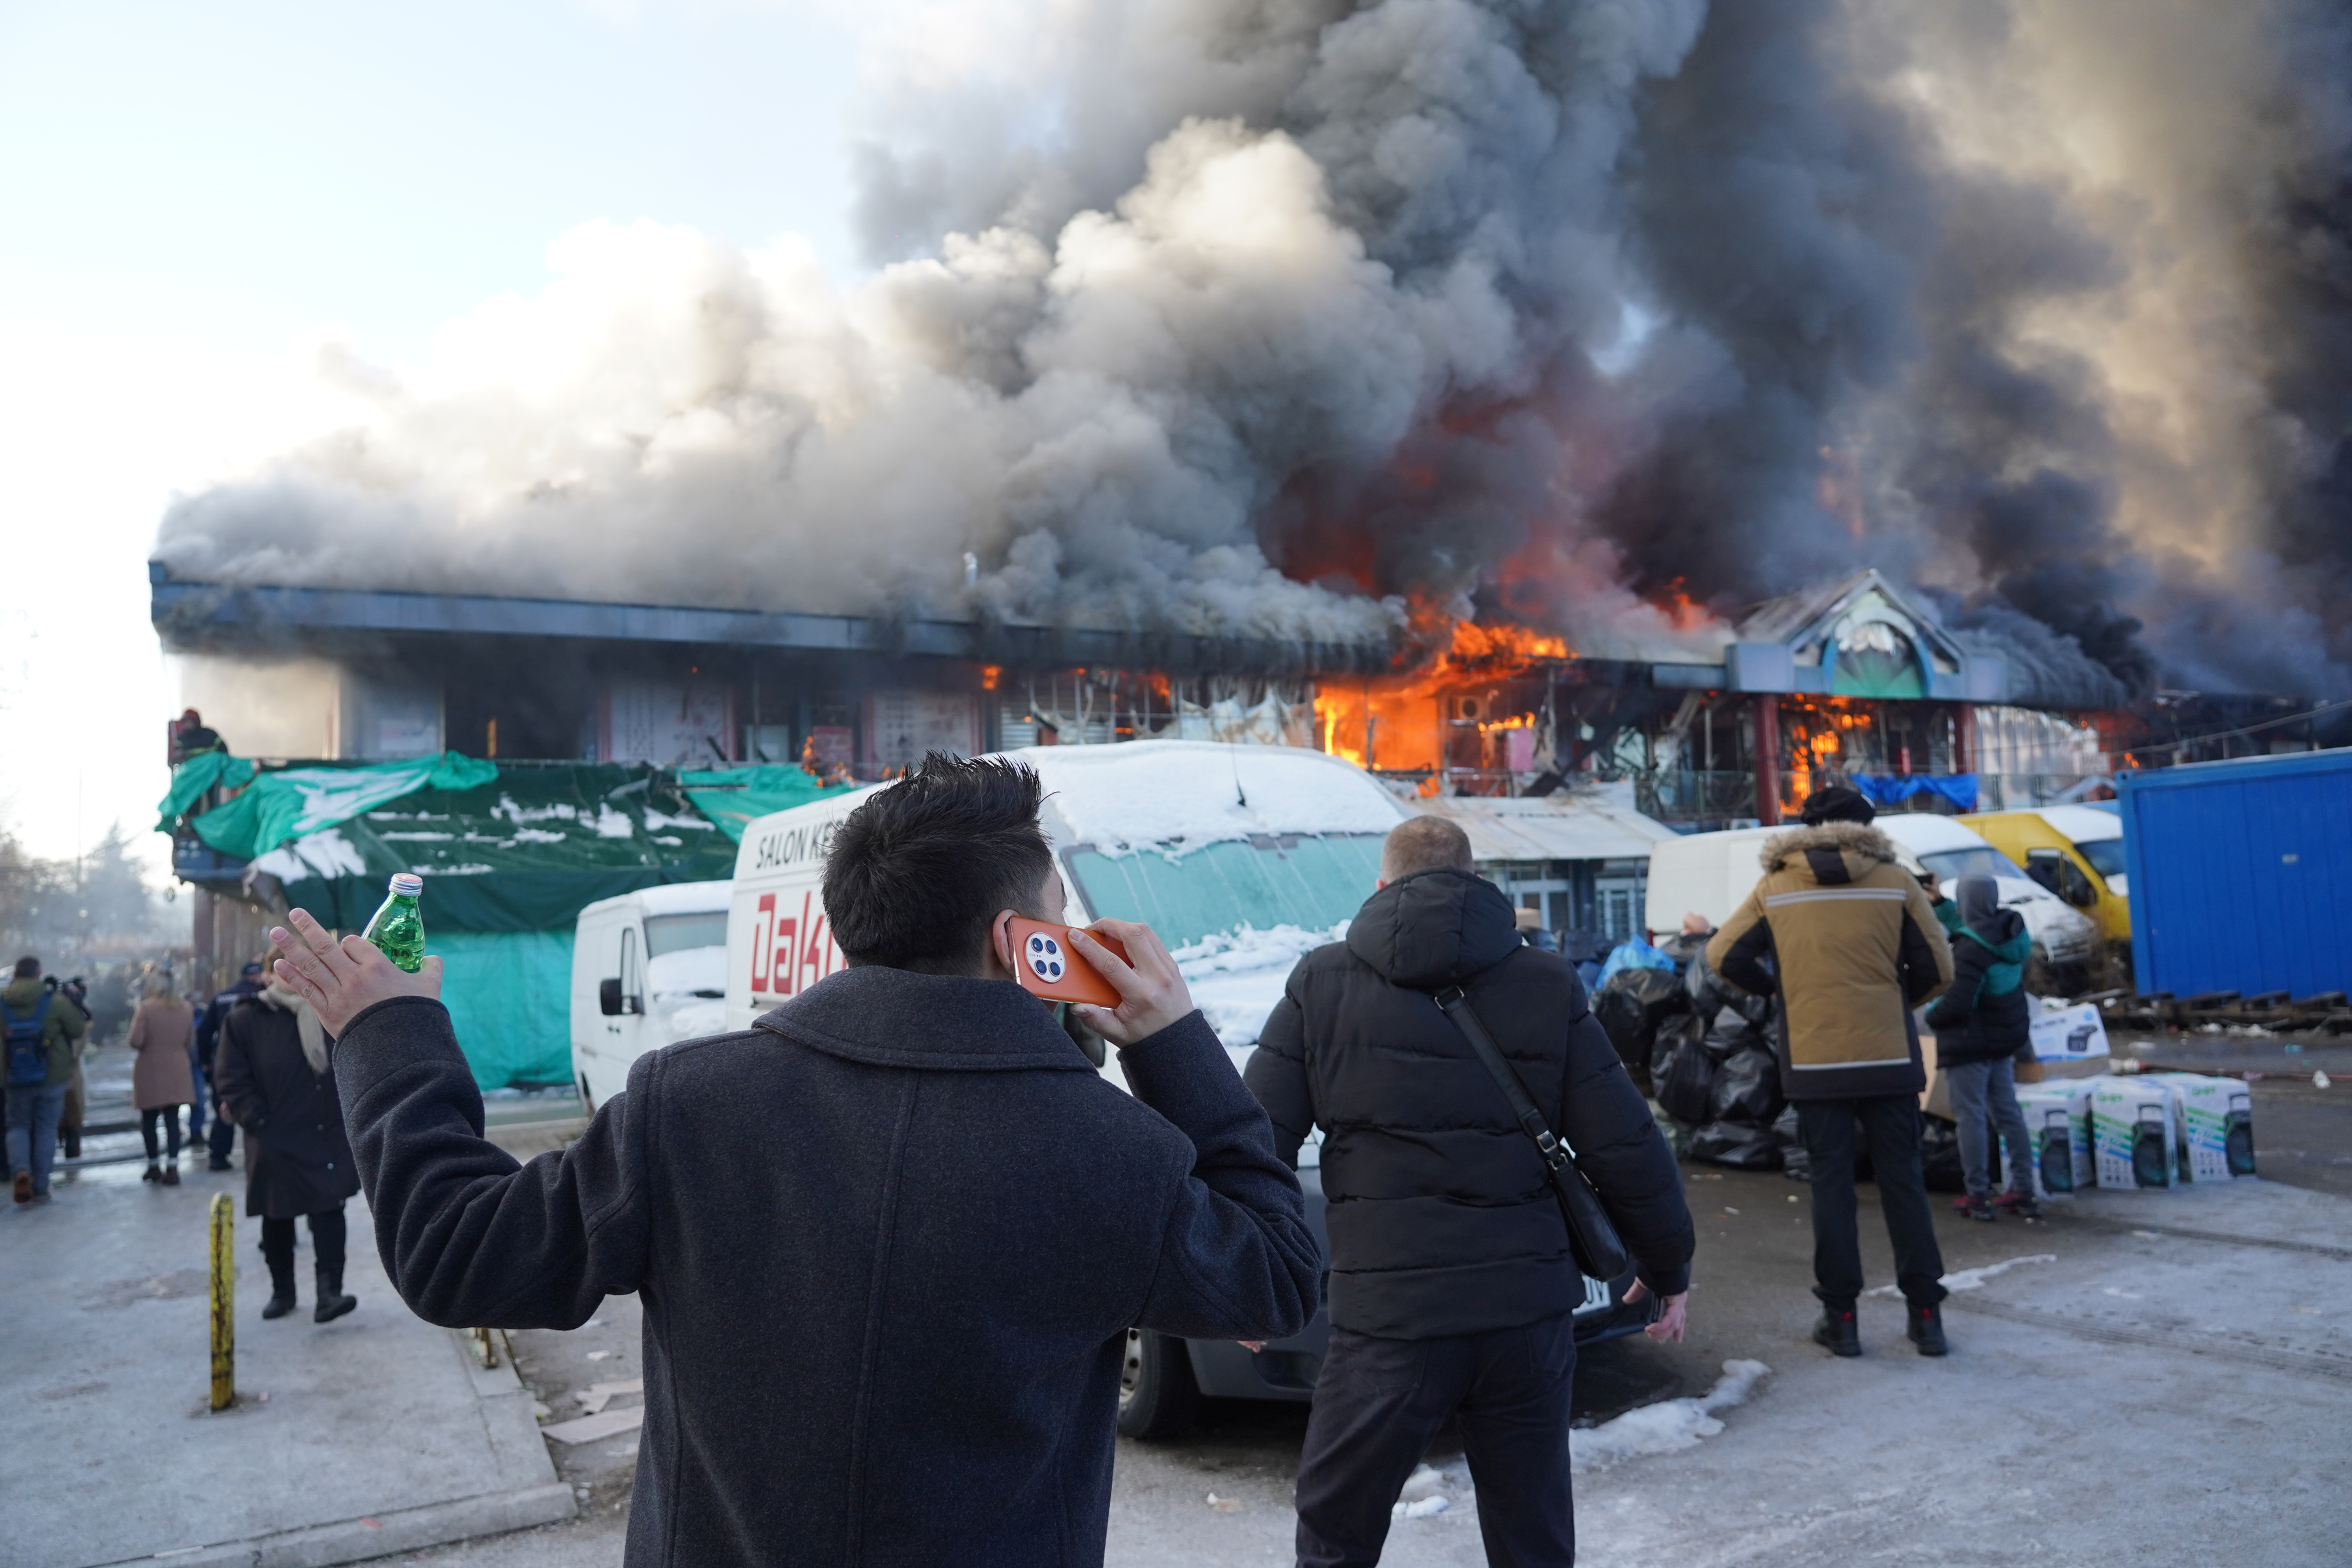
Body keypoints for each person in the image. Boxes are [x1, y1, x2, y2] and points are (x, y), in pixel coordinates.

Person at [264, 754, 1317, 1565]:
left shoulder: (692, 1103)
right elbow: (1278, 1277)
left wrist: (390, 1031)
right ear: (1021, 945)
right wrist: (1174, 1039)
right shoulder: (1114, 1150)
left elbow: (454, 1252)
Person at [1246, 816, 1695, 1568]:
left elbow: (1254, 1145)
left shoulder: (1320, 983)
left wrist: (1245, 1287)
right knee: (1532, 1534)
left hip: (1387, 1322)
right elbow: (1628, 1147)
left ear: (1383, 885)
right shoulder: (1549, 984)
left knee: (1336, 1532)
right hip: (1523, 1316)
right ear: (1477, 880)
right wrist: (1668, 1268)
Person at [1707, 785, 1956, 1358]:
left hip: (1816, 1062)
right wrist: (1894, 1003)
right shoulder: (1897, 884)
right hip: (1890, 1058)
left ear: (1807, 827)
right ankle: (1926, 1319)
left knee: (1831, 1187)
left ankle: (1840, 1319)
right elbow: (1939, 967)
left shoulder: (1776, 886)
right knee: (1904, 1184)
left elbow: (1723, 955)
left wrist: (1780, 993)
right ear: (1868, 828)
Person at [214, 966, 359, 1322]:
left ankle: (330, 1293)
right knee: (277, 1214)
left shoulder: (328, 1009)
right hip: (275, 1135)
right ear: (267, 974)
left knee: (329, 1209)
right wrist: (258, 1120)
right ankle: (283, 1291)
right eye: (283, 967)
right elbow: (231, 1077)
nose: (294, 974)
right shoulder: (247, 1017)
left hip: (323, 1130)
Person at [1927, 875, 2041, 1222]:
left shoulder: (1969, 949)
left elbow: (1959, 1004)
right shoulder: (2009, 934)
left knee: (1971, 1118)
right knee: (2008, 1113)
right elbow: (1973, 928)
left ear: (1966, 903)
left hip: (1970, 1043)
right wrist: (1939, 905)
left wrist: (1931, 1014)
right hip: (2003, 1039)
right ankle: (2023, 1189)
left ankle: (1977, 1194)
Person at [6, 956, 90, 1203]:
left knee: (17, 1125)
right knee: (46, 1128)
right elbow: (77, 1029)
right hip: (52, 1076)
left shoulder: (3, 1001)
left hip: (14, 1076)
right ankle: (41, 1185)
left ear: (15, 975)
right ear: (39, 973)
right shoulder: (55, 1001)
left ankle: (21, 1170)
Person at [127, 973, 197, 1185]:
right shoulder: (186, 1008)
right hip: (177, 1066)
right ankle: (174, 1166)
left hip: (151, 1068)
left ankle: (153, 1165)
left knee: (149, 1120)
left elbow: (136, 1040)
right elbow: (190, 1040)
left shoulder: (147, 1008)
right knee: (173, 1119)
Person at [195, 960, 265, 1170]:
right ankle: (259, 1156)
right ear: (256, 976)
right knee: (258, 1111)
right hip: (257, 1063)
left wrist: (205, 1061)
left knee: (225, 1109)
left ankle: (218, 1155)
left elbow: (204, 1033)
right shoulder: (261, 997)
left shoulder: (221, 997)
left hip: (224, 1063)